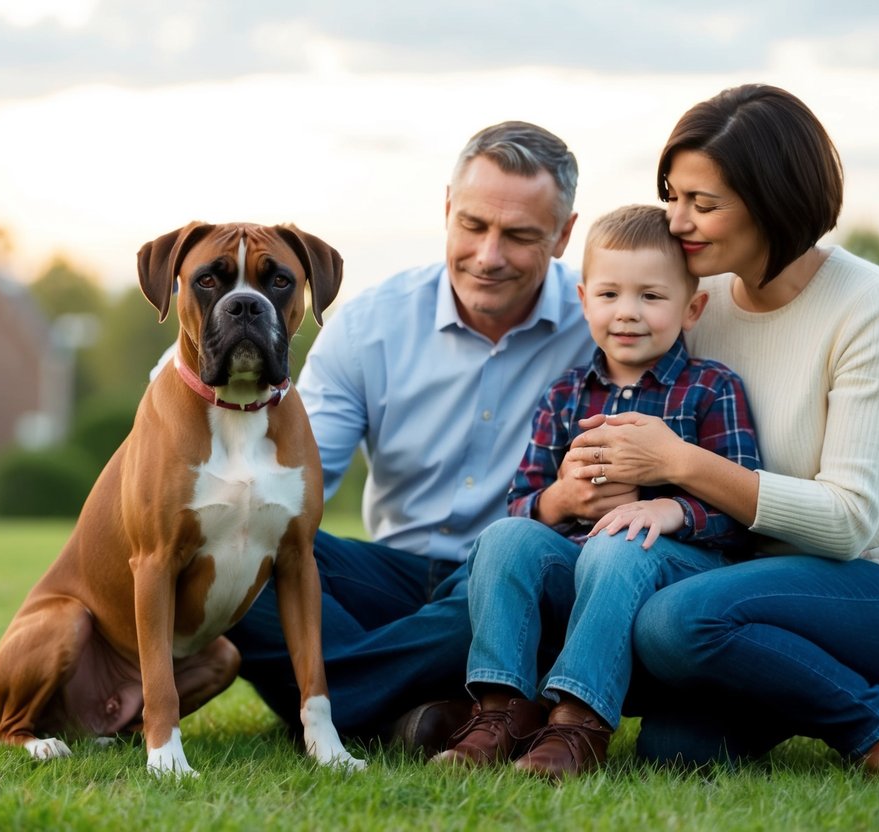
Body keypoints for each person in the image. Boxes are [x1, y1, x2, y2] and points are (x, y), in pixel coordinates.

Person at [575, 84, 879, 774]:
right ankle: (784, 691)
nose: (676, 220)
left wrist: (678, 463)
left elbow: (847, 522)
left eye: (702, 203)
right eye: (672, 195)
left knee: (673, 623)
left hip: (878, 588)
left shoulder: (872, 307)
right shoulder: (696, 297)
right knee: (674, 753)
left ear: (771, 200)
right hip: (741, 586)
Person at [215, 121, 639, 741]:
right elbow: (292, 475)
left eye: (519, 235)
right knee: (236, 552)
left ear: (563, 235)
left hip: (510, 585)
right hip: (390, 576)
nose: (488, 256)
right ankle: (412, 708)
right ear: (447, 208)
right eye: (473, 225)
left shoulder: (604, 328)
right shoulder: (370, 324)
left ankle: (337, 706)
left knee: (525, 600)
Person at [431, 204, 761, 779]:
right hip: (579, 563)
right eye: (609, 295)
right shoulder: (565, 396)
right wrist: (562, 499)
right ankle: (501, 712)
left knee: (620, 541)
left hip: (676, 573)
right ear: (584, 301)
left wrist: (672, 509)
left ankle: (578, 724)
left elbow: (743, 510)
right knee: (506, 537)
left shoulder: (711, 389)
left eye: (651, 297)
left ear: (692, 307)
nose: (627, 313)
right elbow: (522, 503)